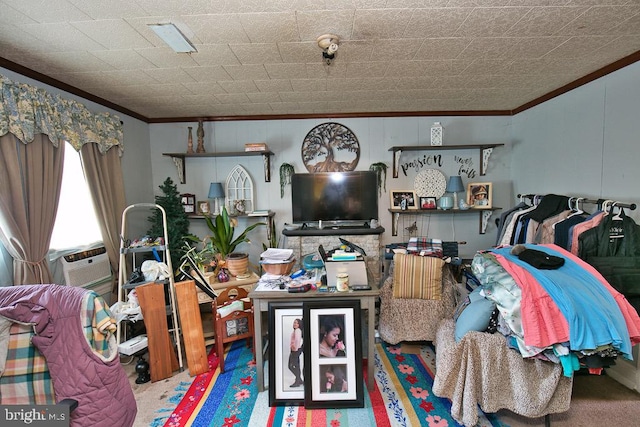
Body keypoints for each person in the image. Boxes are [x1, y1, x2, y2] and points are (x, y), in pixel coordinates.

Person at [288, 318, 303, 387]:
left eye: (296, 323)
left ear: (299, 324)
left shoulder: (297, 330)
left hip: (296, 350)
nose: (295, 324)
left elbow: (297, 340)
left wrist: (295, 348)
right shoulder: (296, 330)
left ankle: (298, 380)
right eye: (294, 322)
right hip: (295, 349)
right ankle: (299, 379)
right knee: (295, 365)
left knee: (292, 365)